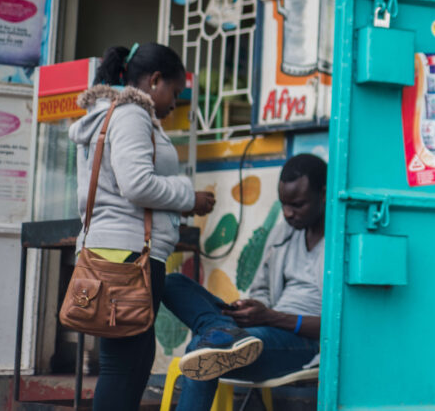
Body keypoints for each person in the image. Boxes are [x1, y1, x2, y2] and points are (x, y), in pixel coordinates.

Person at [69, 43, 216, 410]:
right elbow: (135, 184)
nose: (174, 104)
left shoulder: (107, 114)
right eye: (175, 92)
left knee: (128, 363)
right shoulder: (132, 114)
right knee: (125, 367)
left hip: (115, 251)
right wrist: (188, 197)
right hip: (127, 255)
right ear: (154, 81)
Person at [164, 153, 327, 411]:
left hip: (304, 344)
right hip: (263, 329)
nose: (288, 213)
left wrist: (270, 317)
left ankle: (221, 334)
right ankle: (224, 330)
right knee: (172, 283)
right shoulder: (285, 232)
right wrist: (252, 309)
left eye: (297, 204)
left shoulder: (340, 245)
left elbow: (342, 328)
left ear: (324, 194)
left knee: (204, 348)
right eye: (284, 204)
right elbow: (261, 288)